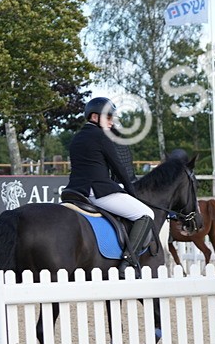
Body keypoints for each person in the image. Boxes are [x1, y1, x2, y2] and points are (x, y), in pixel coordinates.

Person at [66, 97, 156, 272]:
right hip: (98, 191)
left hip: (75, 191)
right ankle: (128, 261)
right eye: (108, 117)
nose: (111, 122)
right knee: (146, 213)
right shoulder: (101, 136)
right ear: (94, 117)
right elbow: (119, 168)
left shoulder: (76, 138)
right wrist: (132, 193)